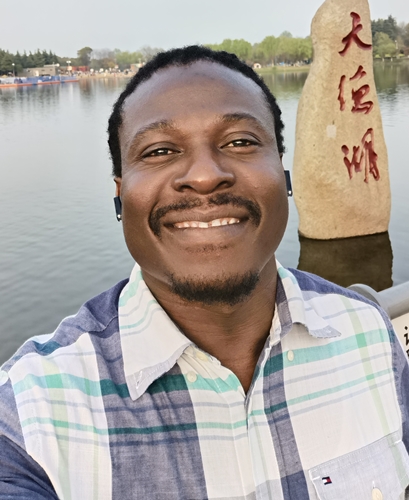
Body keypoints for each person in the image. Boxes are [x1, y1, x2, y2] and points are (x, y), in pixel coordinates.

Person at [1, 45, 409, 500]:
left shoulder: (367, 333)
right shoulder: (32, 414)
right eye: (159, 150)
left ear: (284, 174)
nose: (204, 176)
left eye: (240, 142)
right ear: (120, 196)